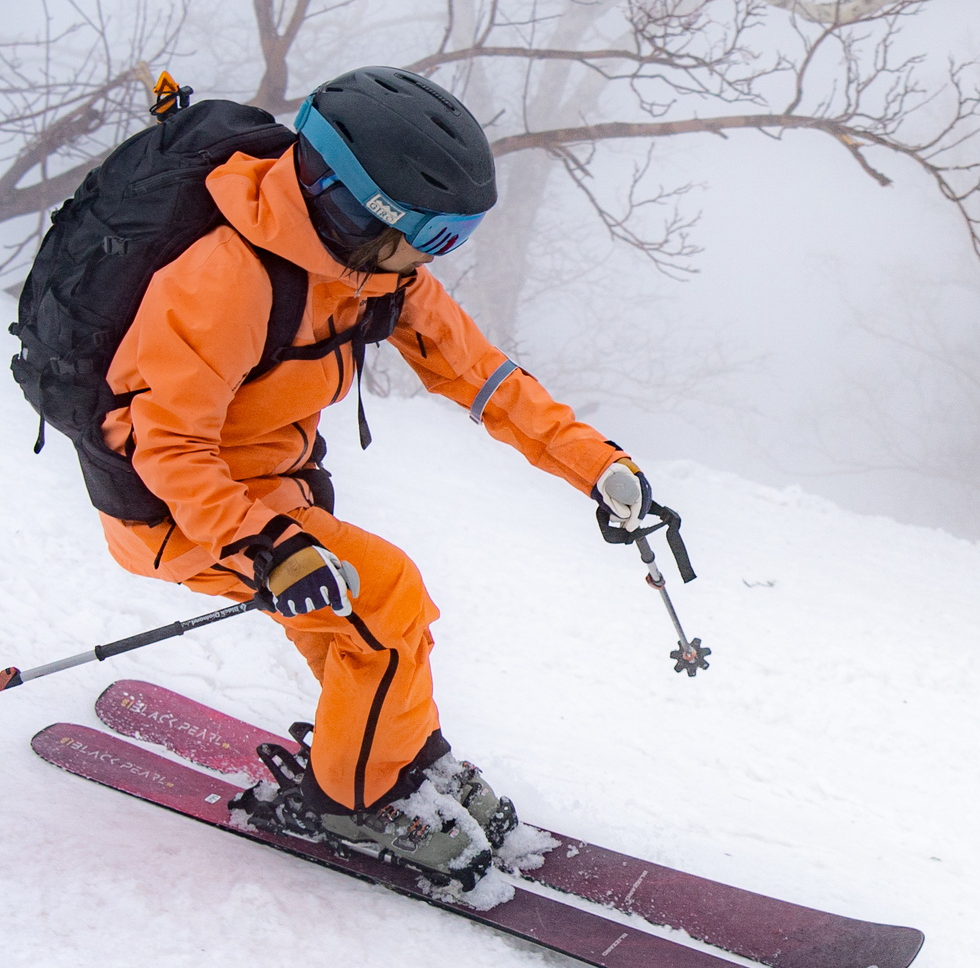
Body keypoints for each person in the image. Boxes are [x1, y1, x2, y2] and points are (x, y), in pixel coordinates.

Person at [96, 66, 651, 887]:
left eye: (450, 241)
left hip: (271, 494)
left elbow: (482, 376)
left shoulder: (373, 272)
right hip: (177, 512)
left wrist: (599, 467)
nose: (430, 262)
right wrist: (268, 546)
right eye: (427, 236)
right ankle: (350, 800)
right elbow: (168, 447)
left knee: (369, 622)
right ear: (352, 205)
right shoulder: (224, 280)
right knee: (385, 593)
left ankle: (400, 758)